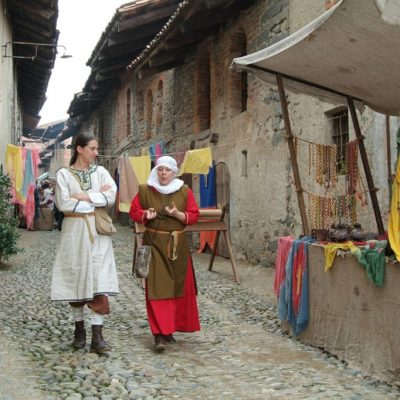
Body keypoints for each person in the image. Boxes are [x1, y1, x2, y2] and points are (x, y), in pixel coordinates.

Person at [51, 132, 119, 353]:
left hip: (98, 232)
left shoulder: (100, 172)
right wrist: (94, 199)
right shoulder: (63, 174)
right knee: (77, 276)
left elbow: (111, 196)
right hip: (74, 230)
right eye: (92, 148)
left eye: (96, 149)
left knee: (99, 278)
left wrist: (85, 196)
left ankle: (97, 336)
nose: (96, 153)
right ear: (79, 149)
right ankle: (79, 330)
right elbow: (64, 203)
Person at [129, 155, 201, 352]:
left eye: (167, 170)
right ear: (156, 171)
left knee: (176, 287)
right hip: (154, 244)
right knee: (157, 287)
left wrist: (178, 215)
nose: (163, 173)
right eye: (160, 169)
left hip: (178, 245)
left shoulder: (184, 191)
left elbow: (194, 215)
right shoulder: (145, 190)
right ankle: (159, 334)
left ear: (173, 172)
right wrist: (145, 215)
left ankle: (169, 331)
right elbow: (134, 212)